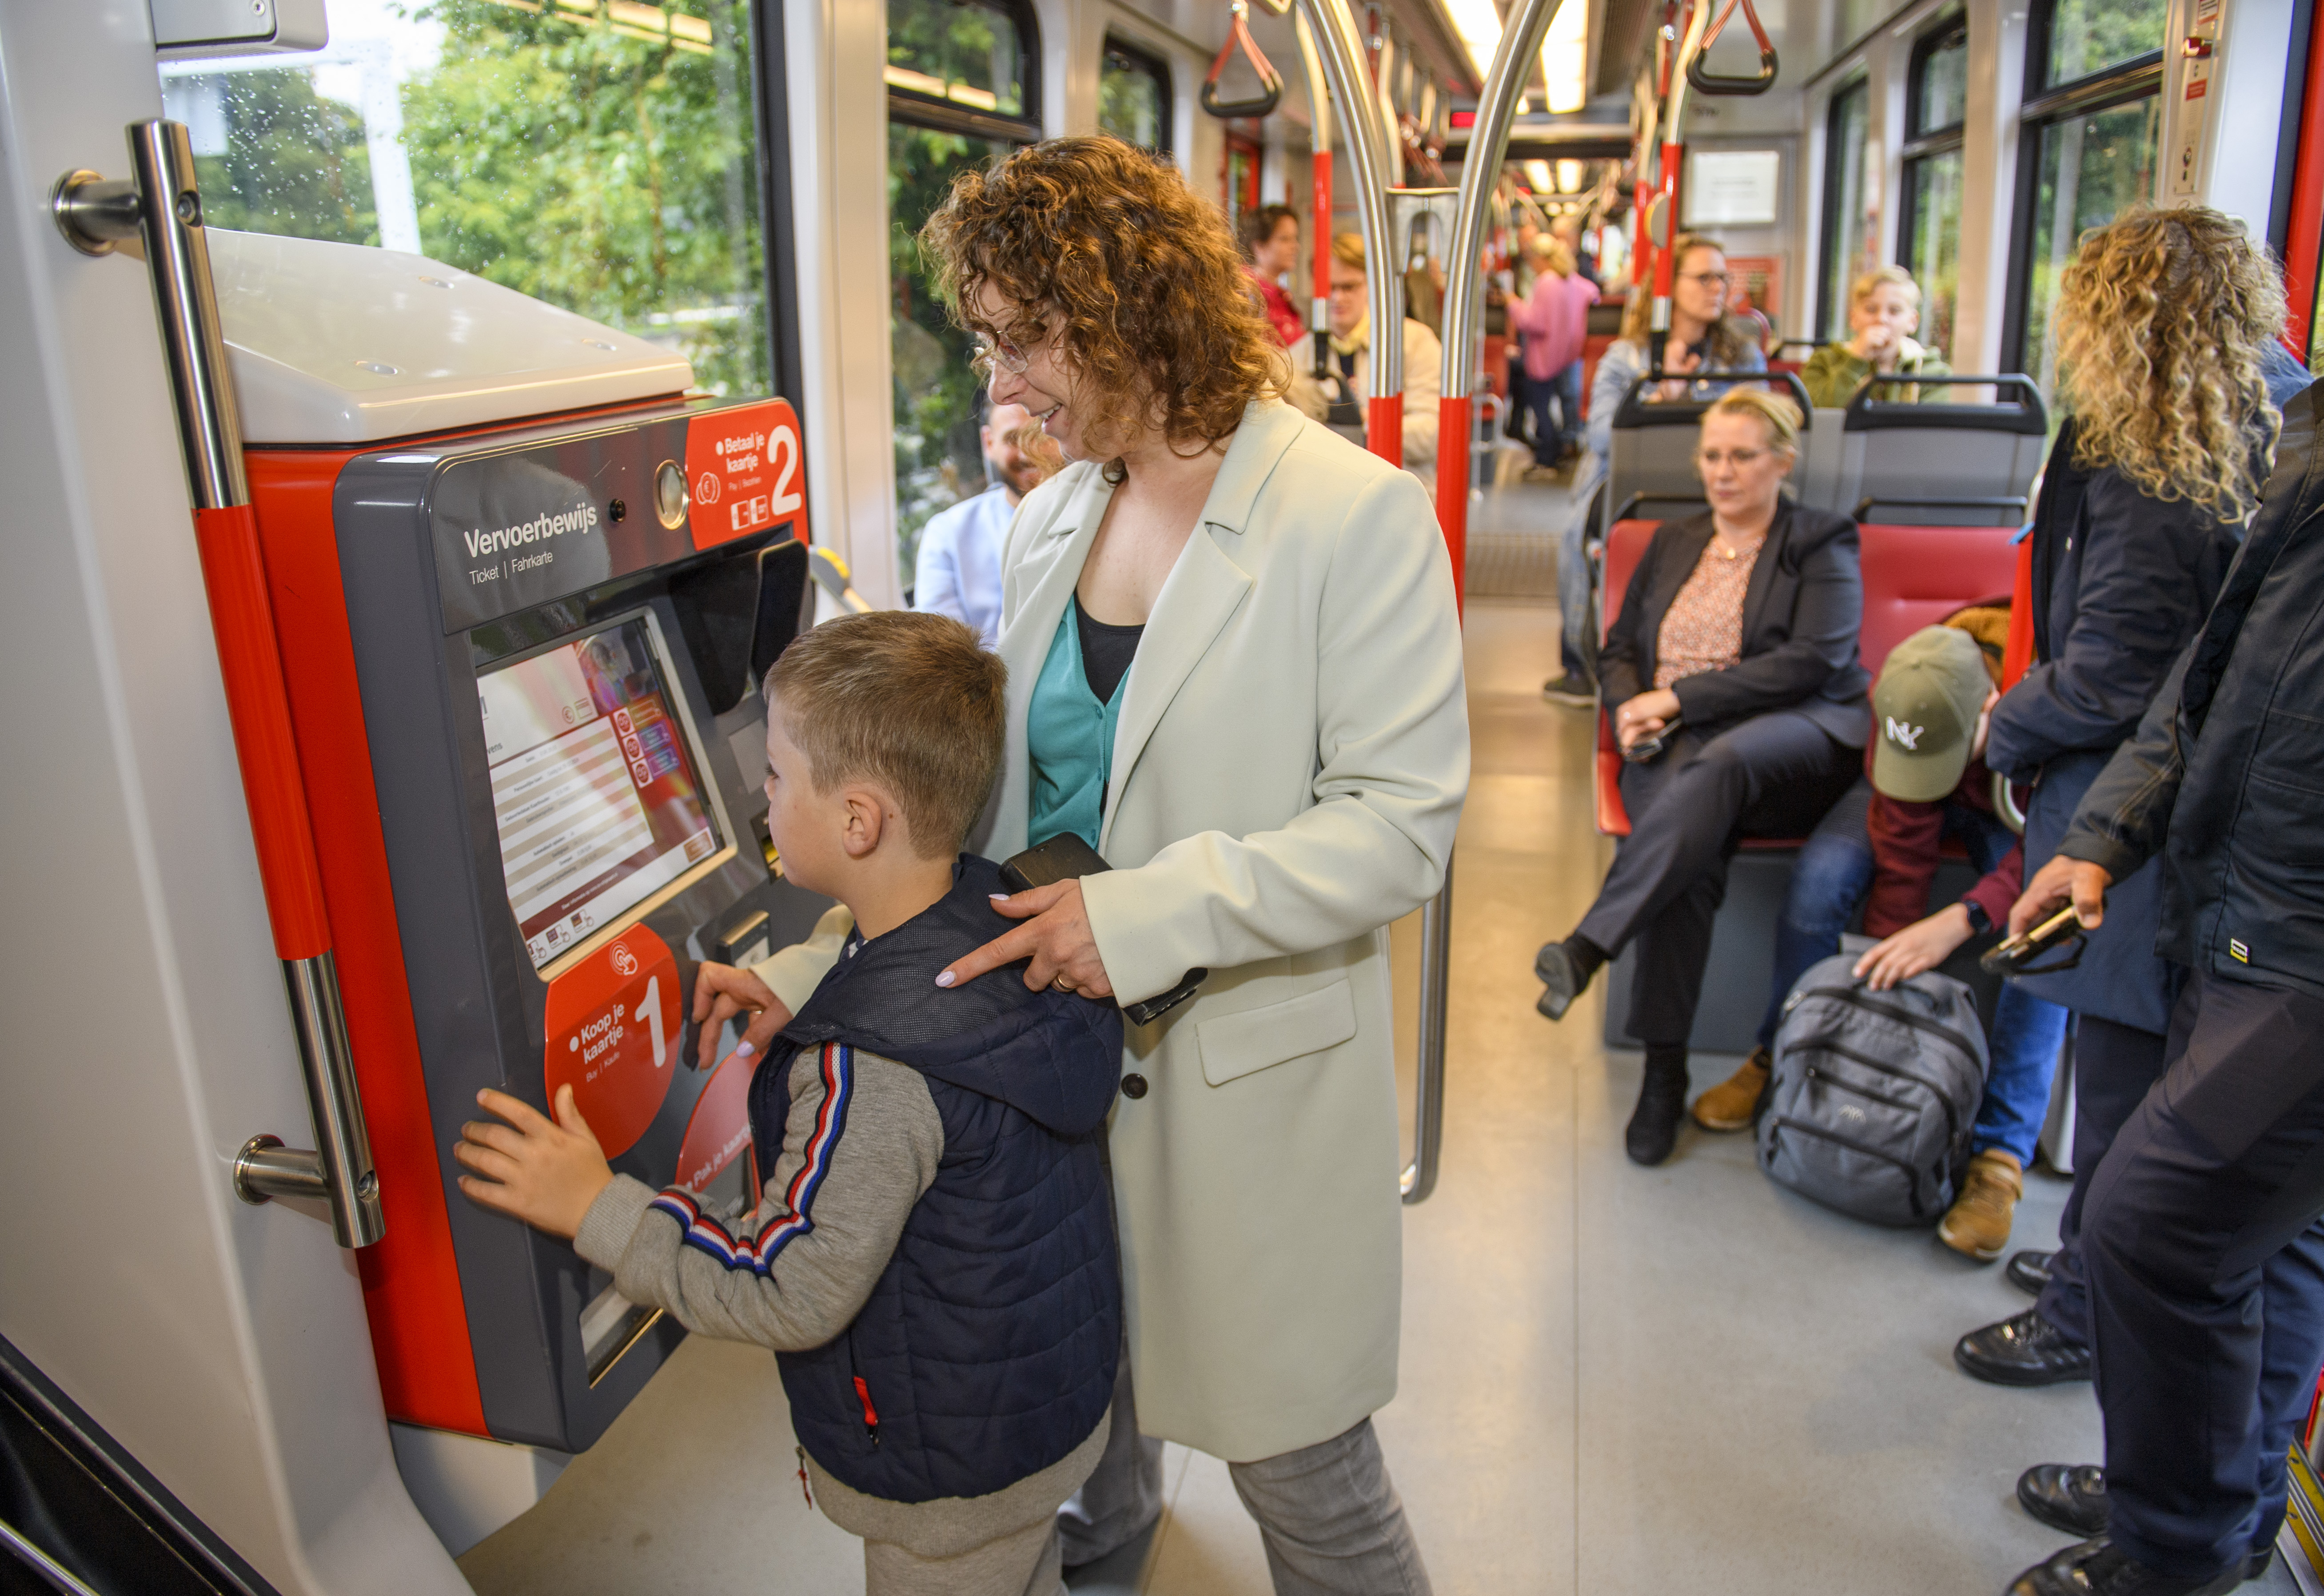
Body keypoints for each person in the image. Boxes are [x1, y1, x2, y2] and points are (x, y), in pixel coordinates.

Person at [727, 137, 1465, 1594]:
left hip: (1237, 1087)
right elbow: (982, 825)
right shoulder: (1055, 517)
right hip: (1044, 1096)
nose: (999, 385)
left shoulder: (1349, 518)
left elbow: (1399, 825)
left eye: (1019, 340)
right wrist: (821, 970)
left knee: (1305, 1479)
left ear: (1131, 308)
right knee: (1079, 1454)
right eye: (986, 343)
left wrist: (1135, 920)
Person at [451, 610, 1125, 1596]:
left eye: (772, 774)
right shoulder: (991, 911)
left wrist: (595, 1203)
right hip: (1035, 1414)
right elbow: (905, 996)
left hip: (944, 1483)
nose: (755, 799)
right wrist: (812, 994)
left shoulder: (872, 1069)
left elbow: (790, 1284)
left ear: (858, 820)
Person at [1996, 378, 2324, 1596]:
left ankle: (2172, 1553)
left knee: (2150, 1221)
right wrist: (2105, 833)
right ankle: (2221, 1508)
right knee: (2266, 1241)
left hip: (2299, 941)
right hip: (2232, 904)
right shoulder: (2306, 440)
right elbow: (2214, 668)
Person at [1950, 205, 2285, 1392]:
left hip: (2124, 813)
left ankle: (2083, 1314)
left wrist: (2001, 726)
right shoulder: (2273, 419)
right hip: (2219, 819)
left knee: (2122, 1094)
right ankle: (2093, 1269)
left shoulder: (2146, 463)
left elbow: (2113, 673)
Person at [1533, 388, 1867, 1166]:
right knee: (1688, 859)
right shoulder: (1672, 539)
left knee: (1719, 764)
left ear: (1782, 461)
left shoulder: (1820, 541)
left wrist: (1677, 698)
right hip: (1674, 739)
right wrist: (1628, 709)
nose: (1724, 471)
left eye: (1743, 455)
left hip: (1796, 732)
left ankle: (1589, 943)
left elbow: (1813, 661)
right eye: (1713, 455)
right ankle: (1663, 1070)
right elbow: (1617, 647)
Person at [1696, 618, 2072, 1259]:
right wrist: (1885, 1005)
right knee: (1819, 881)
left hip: (2022, 807)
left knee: (2041, 934)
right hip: (1924, 781)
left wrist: (1962, 917)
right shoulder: (1908, 692)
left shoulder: (2058, 700)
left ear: (1992, 706)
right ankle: (1783, 1055)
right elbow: (1903, 840)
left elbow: (2053, 850)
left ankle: (1998, 1156)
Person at [1583, 231, 1768, 480]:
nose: (1719, 288)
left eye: (1723, 278)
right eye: (1704, 278)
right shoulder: (1625, 359)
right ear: (1668, 284)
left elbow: (1764, 433)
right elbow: (1601, 439)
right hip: (1636, 481)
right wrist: (1659, 402)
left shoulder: (1743, 358)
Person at [1290, 231, 1443, 483]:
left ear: (1371, 284)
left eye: (1349, 287)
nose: (1338, 298)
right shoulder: (1297, 357)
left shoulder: (1415, 343)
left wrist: (1365, 423)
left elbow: (1434, 432)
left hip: (1399, 492)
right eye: (1330, 288)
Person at [913, 397, 1054, 646]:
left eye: (1040, 437)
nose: (1028, 453)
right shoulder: (948, 534)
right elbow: (946, 652)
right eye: (1013, 439)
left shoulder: (1100, 520)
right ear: (989, 443)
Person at [1799, 265, 1952, 408]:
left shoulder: (1935, 373)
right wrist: (1857, 359)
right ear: (1854, 319)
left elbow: (1928, 431)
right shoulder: (1822, 362)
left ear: (1912, 322)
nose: (1882, 319)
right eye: (1871, 310)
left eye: (1895, 311)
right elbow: (1822, 419)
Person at [1508, 237, 1599, 474]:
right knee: (1560, 404)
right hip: (1566, 356)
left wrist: (1514, 304)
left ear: (1541, 258)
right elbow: (1594, 294)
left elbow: (1534, 323)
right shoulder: (1571, 280)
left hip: (1543, 359)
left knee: (1540, 408)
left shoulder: (1546, 282)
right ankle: (1559, 447)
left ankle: (1547, 456)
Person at [1240, 202, 1306, 350]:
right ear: (1259, 247)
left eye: (1295, 239)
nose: (1295, 247)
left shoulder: (1280, 294)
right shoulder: (1248, 295)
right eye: (1285, 239)